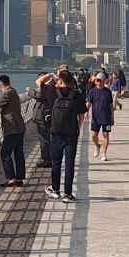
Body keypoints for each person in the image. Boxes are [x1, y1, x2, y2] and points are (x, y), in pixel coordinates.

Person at [46, 70, 86, 203]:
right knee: (69, 164)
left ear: (61, 81)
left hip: (56, 133)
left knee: (56, 163)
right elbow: (82, 115)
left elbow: (39, 83)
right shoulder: (77, 95)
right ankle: (67, 194)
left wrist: (51, 75)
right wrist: (78, 128)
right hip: (71, 134)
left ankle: (55, 189)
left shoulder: (53, 93)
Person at [26, 71, 57, 168]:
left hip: (43, 116)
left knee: (44, 139)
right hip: (48, 115)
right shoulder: (53, 86)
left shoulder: (48, 87)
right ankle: (50, 158)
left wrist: (29, 90)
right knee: (48, 138)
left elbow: (39, 95)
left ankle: (47, 160)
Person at [87, 71, 115, 161]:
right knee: (94, 135)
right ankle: (97, 146)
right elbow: (89, 103)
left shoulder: (108, 92)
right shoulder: (92, 91)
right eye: (97, 80)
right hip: (96, 118)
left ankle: (104, 153)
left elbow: (111, 106)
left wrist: (112, 117)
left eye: (99, 80)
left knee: (105, 135)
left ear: (104, 81)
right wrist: (85, 112)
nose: (98, 82)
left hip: (106, 118)